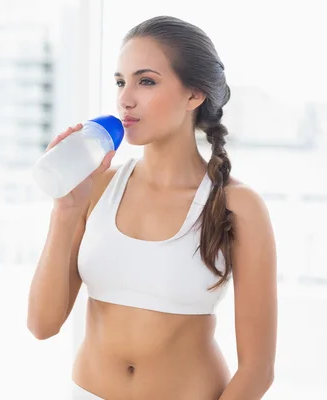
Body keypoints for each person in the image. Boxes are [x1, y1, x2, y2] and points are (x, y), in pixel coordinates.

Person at [28, 15, 277, 400]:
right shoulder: (97, 188)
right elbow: (42, 324)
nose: (126, 98)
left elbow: (258, 370)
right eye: (120, 82)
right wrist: (65, 210)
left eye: (146, 81)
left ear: (194, 95)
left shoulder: (236, 205)